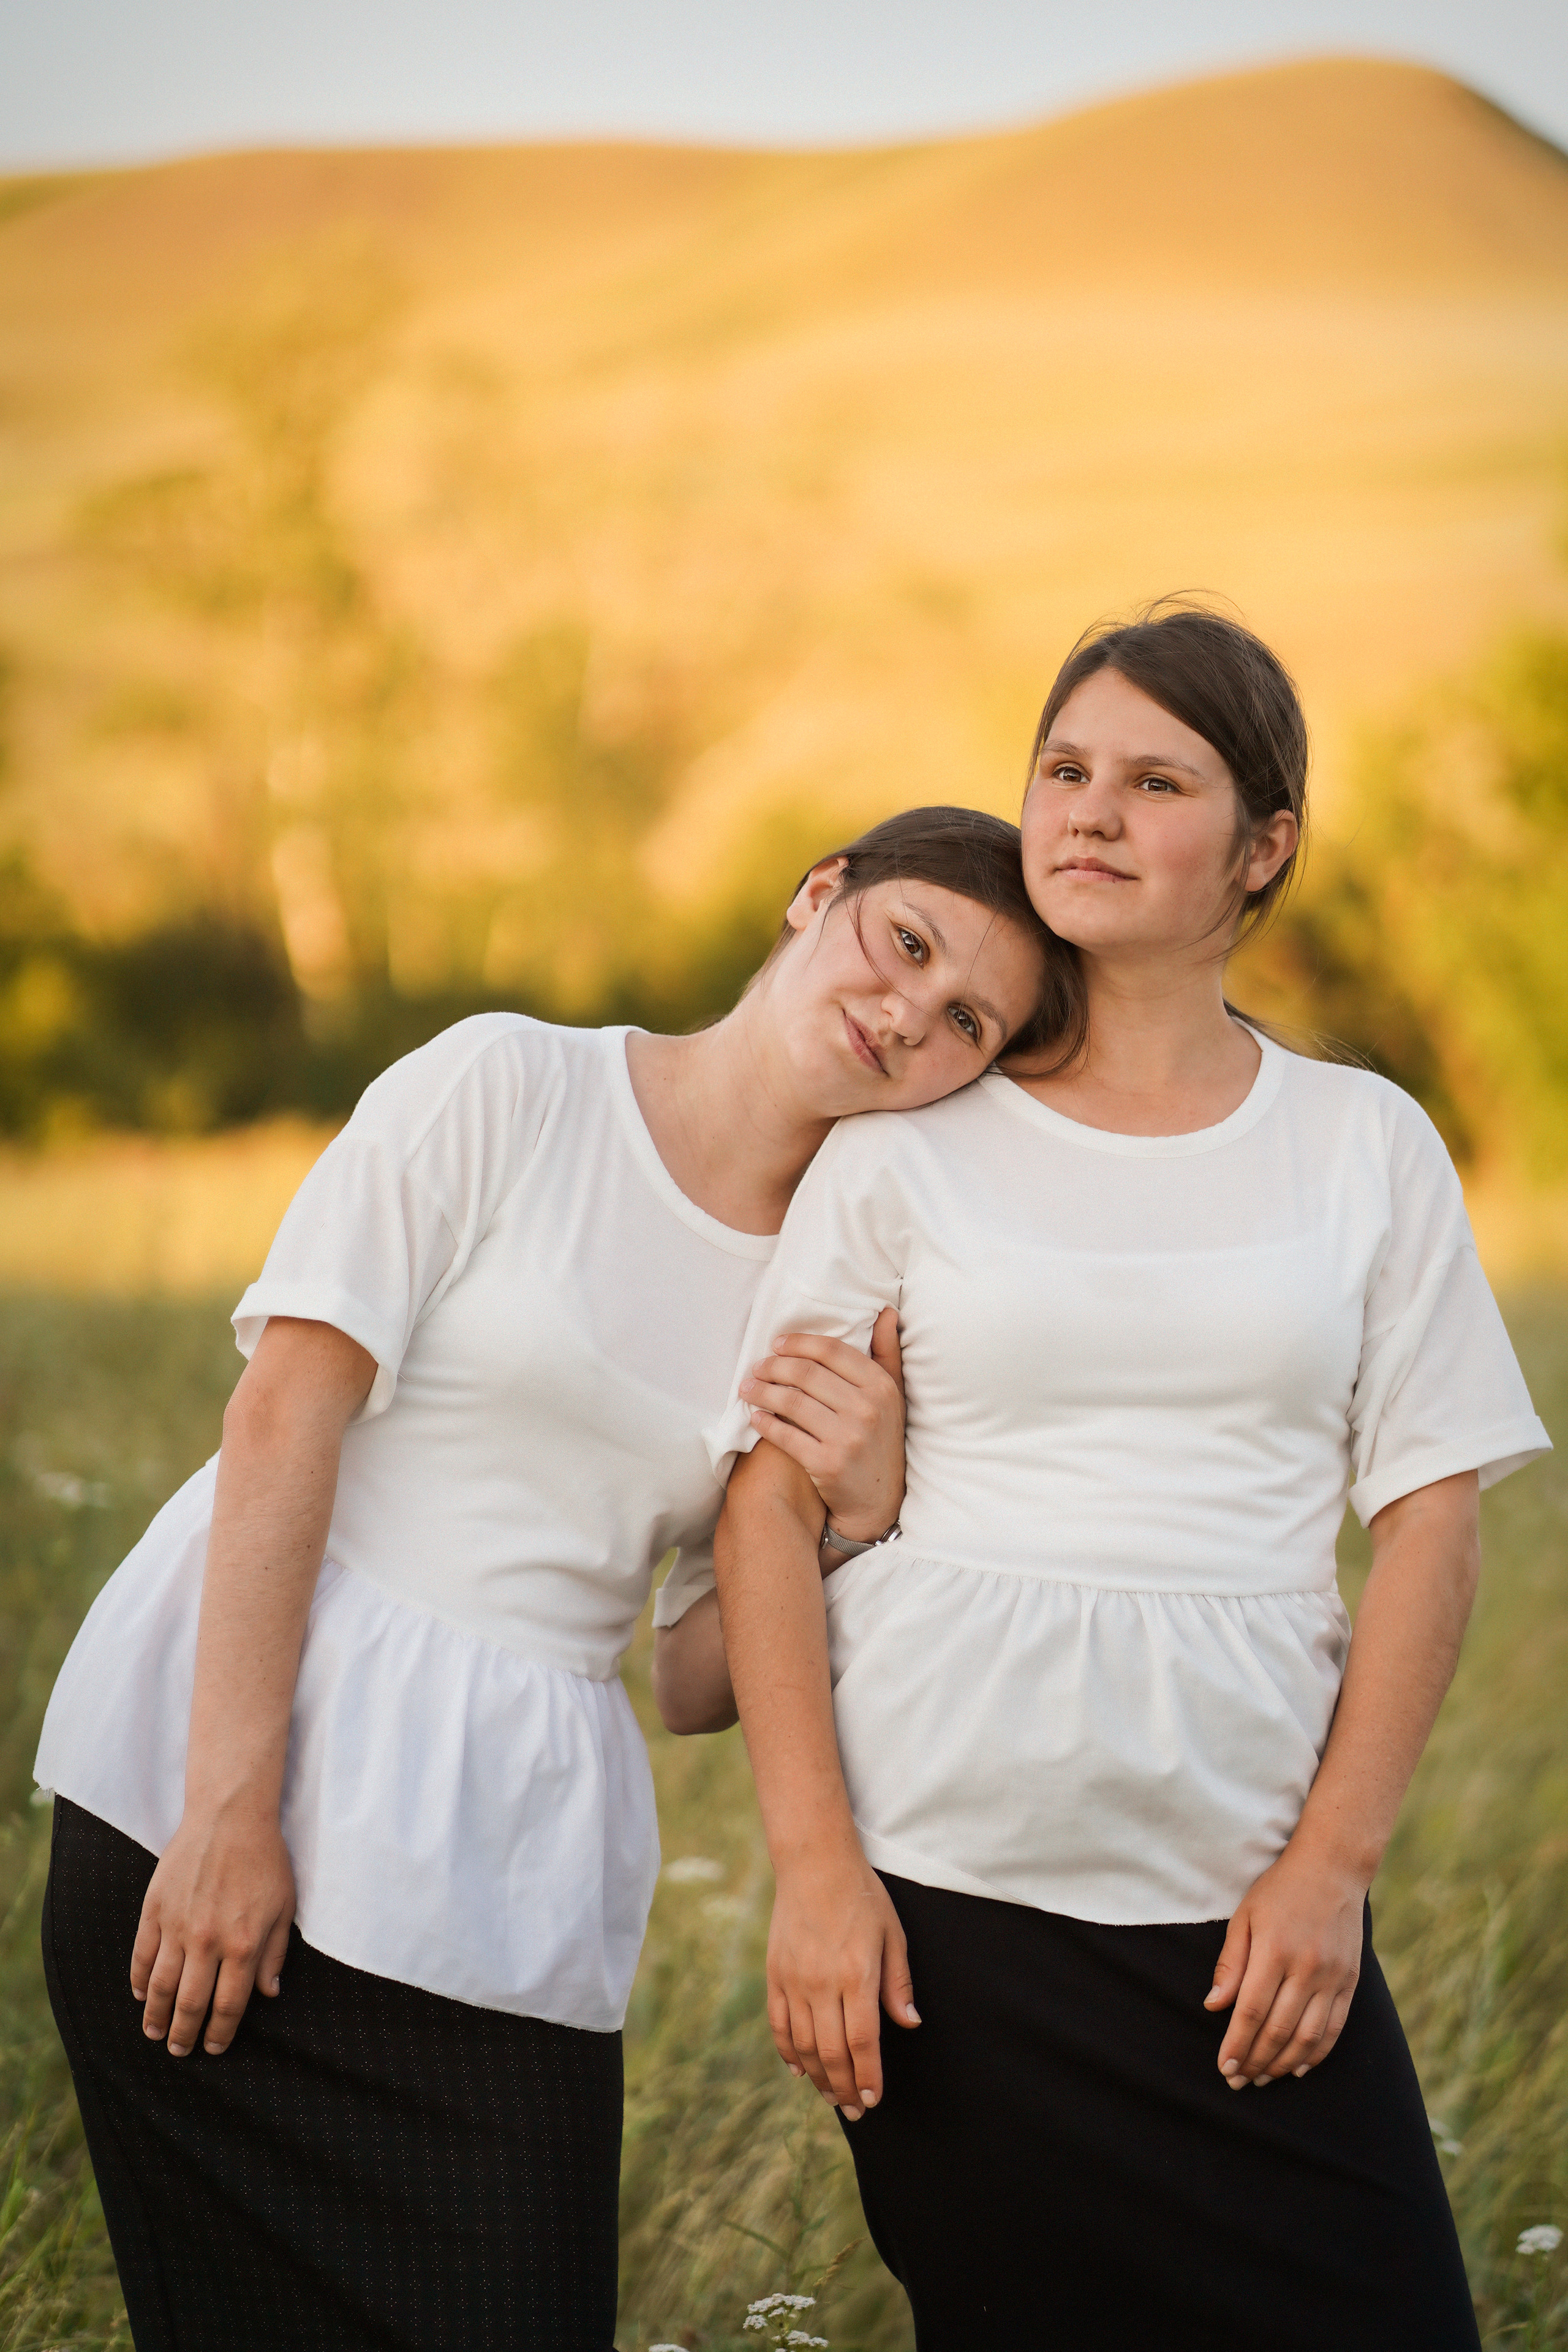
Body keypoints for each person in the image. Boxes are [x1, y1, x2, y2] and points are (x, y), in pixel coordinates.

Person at [34, 805, 1066, 2352]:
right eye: (904, 944)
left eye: (964, 1021)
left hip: (498, 1859)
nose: (905, 1014)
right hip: (225, 1784)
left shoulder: (831, 1278)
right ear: (817, 893)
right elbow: (283, 1410)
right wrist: (228, 1814)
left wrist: (864, 1513)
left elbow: (690, 1680)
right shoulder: (509, 1082)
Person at [706, 608, 1552, 2350]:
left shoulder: (1362, 1144)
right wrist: (814, 1870)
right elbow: (766, 1512)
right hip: (945, 1910)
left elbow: (1432, 1519)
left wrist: (1332, 1868)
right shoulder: (905, 1147)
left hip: (1247, 1912)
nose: (1087, 812)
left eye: (1154, 780)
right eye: (1063, 770)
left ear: (1264, 848)